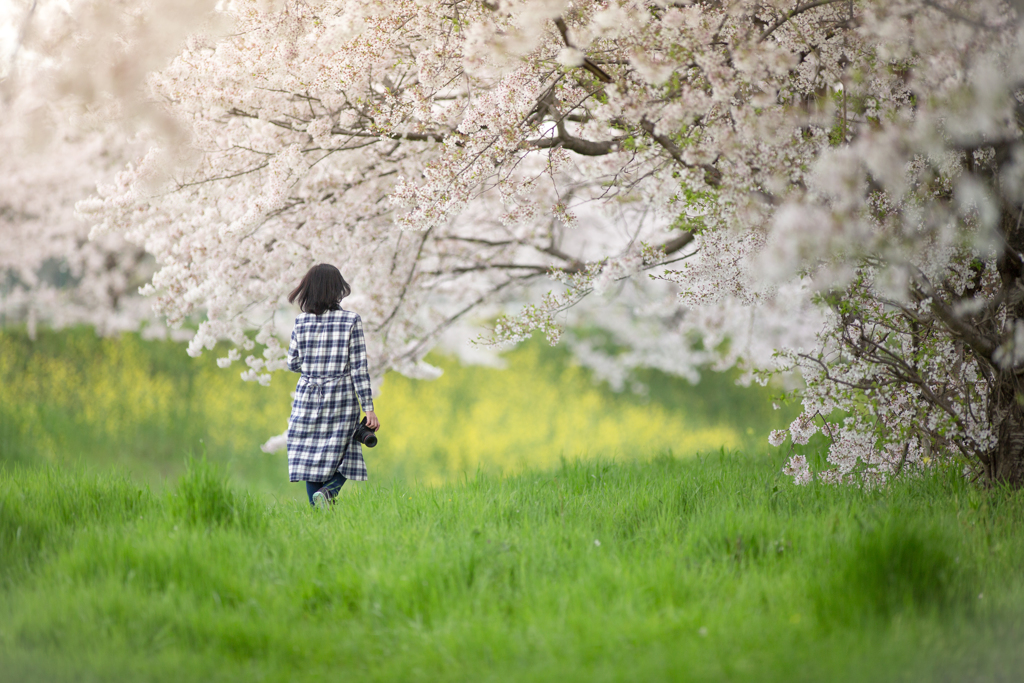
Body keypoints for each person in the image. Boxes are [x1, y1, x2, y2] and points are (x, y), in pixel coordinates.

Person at [285, 264, 380, 508]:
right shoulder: (351, 320)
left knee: (311, 457)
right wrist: (368, 408)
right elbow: (359, 368)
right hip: (341, 398)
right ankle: (328, 494)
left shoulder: (301, 322)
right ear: (338, 289)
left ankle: (319, 510)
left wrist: (314, 370)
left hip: (308, 398)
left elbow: (292, 362)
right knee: (347, 452)